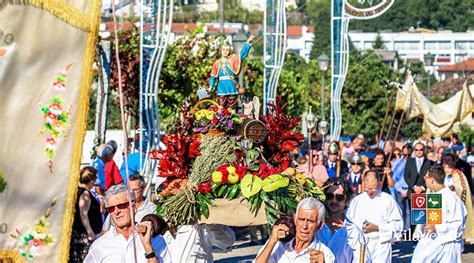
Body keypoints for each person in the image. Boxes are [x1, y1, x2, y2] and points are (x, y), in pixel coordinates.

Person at [84, 185, 162, 263]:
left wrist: (148, 248)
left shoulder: (155, 240)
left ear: (134, 207)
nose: (116, 211)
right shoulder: (99, 245)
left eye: (121, 206)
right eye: (111, 208)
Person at [412, 166, 467, 262]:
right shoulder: (431, 196)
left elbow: (458, 225)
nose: (424, 181)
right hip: (429, 242)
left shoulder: (452, 198)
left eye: (425, 178)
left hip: (447, 245)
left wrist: (436, 227)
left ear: (432, 180)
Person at [255, 197, 335, 263]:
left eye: (310, 221)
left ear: (320, 225)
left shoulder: (325, 254)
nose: (304, 226)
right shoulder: (278, 244)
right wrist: (272, 241)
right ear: (295, 220)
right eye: (301, 219)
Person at [347, 170, 403, 262]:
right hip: (360, 246)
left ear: (380, 184)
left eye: (373, 188)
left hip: (381, 245)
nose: (370, 192)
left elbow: (398, 225)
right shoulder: (356, 201)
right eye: (367, 188)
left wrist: (377, 228)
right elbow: (349, 224)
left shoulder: (388, 200)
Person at [317, 177, 370, 262]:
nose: (334, 200)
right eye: (329, 196)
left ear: (346, 201)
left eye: (339, 197)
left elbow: (363, 260)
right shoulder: (314, 226)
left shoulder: (354, 232)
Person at [208, 34, 255, 110]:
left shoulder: (232, 60)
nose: (225, 52)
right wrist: (210, 87)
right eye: (223, 50)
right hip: (221, 88)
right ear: (220, 51)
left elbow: (241, 55)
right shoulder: (217, 63)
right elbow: (212, 76)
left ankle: (233, 120)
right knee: (221, 107)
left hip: (231, 87)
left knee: (233, 107)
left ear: (229, 51)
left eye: (227, 50)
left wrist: (247, 42)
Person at [69, 167, 103, 263]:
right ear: (91, 180)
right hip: (83, 235)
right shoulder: (85, 194)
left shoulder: (80, 191)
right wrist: (90, 232)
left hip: (82, 233)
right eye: (95, 177)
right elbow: (83, 214)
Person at [442, 150, 474, 243]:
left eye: (449, 160)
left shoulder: (458, 174)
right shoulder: (438, 173)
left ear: (453, 162)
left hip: (454, 205)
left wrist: (455, 188)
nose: (446, 162)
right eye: (445, 160)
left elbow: (464, 189)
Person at [391, 144, 412, 230]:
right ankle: (401, 230)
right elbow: (394, 178)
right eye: (404, 155)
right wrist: (401, 190)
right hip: (400, 190)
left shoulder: (414, 163)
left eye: (408, 155)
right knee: (401, 211)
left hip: (410, 190)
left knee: (409, 212)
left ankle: (408, 231)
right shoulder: (398, 163)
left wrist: (408, 190)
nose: (406, 157)